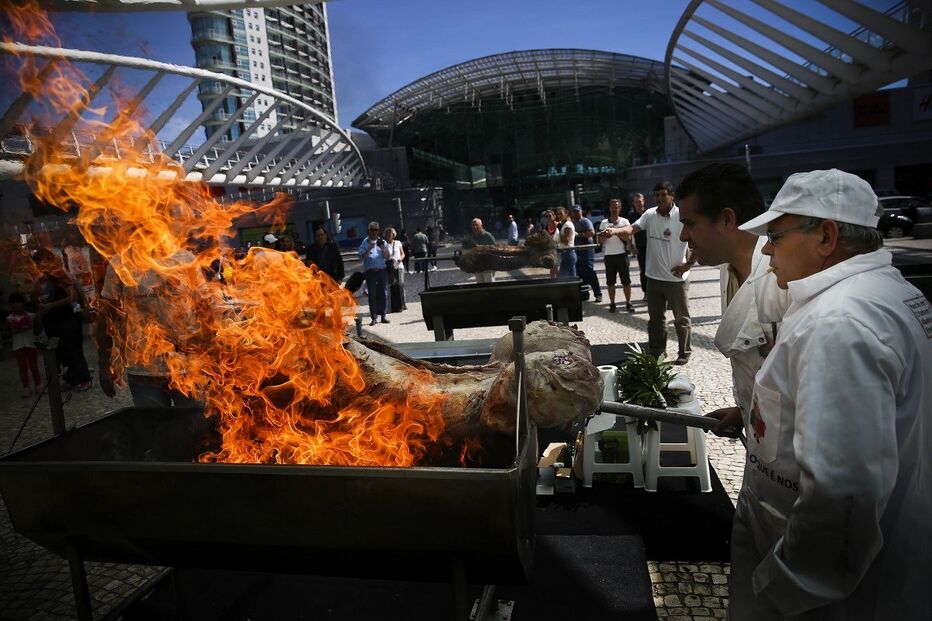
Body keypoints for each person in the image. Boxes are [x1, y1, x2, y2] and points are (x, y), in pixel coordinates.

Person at [729, 169, 931, 619]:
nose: (766, 250)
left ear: (826, 236)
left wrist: (782, 589)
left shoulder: (839, 322)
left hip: (825, 599)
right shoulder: (880, 293)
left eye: (775, 236)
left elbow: (843, 490)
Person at [675, 163, 789, 441]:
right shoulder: (728, 269)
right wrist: (744, 410)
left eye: (690, 224)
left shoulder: (785, 280)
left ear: (727, 219)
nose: (683, 236)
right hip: (762, 436)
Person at [98, 248, 202, 407]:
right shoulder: (121, 262)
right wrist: (104, 365)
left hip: (188, 366)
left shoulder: (186, 258)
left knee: (193, 420)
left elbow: (203, 308)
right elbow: (107, 317)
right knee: (153, 422)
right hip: (144, 369)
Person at [618, 182, 693, 364]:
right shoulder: (650, 214)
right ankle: (657, 352)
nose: (659, 198)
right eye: (656, 195)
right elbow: (631, 229)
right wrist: (614, 231)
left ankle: (684, 352)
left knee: (681, 318)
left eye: (663, 194)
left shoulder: (682, 215)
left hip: (676, 279)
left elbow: (696, 241)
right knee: (656, 319)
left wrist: (688, 265)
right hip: (653, 278)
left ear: (671, 195)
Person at [32, 249, 93, 391]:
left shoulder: (60, 275)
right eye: (37, 263)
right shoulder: (40, 279)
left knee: (73, 350)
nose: (39, 266)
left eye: (40, 262)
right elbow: (34, 298)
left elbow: (72, 296)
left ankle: (84, 379)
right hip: (51, 321)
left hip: (67, 319)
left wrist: (51, 305)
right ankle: (70, 379)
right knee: (60, 352)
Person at [598, 199, 635, 313]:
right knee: (610, 282)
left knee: (626, 281)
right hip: (609, 255)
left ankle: (628, 303)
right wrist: (605, 235)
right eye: (613, 207)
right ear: (610, 208)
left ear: (620, 208)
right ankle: (612, 303)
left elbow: (628, 238)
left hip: (622, 254)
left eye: (616, 207)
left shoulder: (625, 221)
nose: (614, 209)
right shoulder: (604, 223)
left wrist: (616, 231)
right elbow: (600, 241)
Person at [7, 292, 41, 398]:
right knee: (22, 368)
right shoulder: (9, 319)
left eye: (18, 302)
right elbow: (7, 332)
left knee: (34, 366)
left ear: (23, 303)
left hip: (30, 344)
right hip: (18, 345)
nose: (16, 305)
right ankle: (26, 387)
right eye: (13, 303)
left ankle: (38, 384)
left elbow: (38, 329)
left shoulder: (31, 316)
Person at [358, 221, 391, 325]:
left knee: (383, 294)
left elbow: (387, 256)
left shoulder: (382, 242)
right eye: (372, 230)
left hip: (381, 271)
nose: (374, 232)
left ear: (378, 231)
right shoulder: (365, 242)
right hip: (370, 273)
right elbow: (362, 257)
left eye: (376, 230)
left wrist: (383, 249)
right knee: (372, 295)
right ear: (368, 231)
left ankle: (383, 316)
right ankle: (374, 317)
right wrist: (368, 249)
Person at [571, 205, 602, 303]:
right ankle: (584, 295)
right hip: (576, 250)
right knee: (580, 272)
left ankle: (598, 294)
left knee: (589, 270)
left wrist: (579, 234)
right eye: (574, 211)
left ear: (581, 211)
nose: (576, 213)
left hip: (587, 249)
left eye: (577, 211)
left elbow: (592, 233)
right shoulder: (571, 223)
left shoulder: (585, 221)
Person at [462, 217, 496, 283]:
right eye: (473, 225)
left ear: (481, 226)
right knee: (480, 287)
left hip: (488, 267)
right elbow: (465, 250)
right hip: (477, 267)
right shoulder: (471, 237)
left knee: (490, 286)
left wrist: (483, 248)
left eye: (476, 225)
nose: (475, 227)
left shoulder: (488, 236)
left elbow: (496, 250)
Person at [629, 192, 649, 297]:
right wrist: (631, 246)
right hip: (640, 247)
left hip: (653, 246)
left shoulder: (650, 213)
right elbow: (629, 232)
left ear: (643, 201)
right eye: (636, 202)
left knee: (657, 269)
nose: (638, 204)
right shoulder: (631, 216)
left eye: (640, 201)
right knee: (644, 270)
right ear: (634, 203)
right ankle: (646, 292)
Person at [384, 227, 407, 311]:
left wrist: (400, 259)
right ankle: (392, 304)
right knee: (389, 285)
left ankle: (403, 304)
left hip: (399, 266)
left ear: (393, 235)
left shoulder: (398, 243)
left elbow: (403, 254)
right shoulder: (384, 244)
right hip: (389, 267)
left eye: (390, 234)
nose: (388, 235)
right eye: (387, 234)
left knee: (401, 285)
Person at [554, 207, 576, 277]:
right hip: (567, 254)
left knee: (561, 277)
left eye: (561, 214)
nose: (559, 216)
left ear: (566, 214)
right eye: (558, 214)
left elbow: (567, 241)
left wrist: (558, 235)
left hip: (568, 254)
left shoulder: (567, 225)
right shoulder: (564, 224)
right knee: (572, 278)